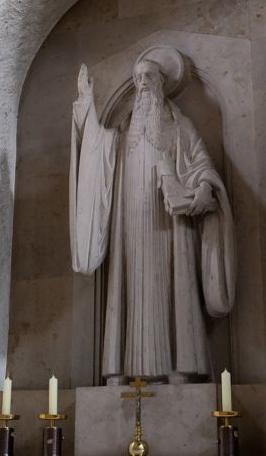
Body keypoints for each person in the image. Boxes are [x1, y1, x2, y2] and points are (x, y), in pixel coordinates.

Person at [69, 49, 236, 384]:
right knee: (128, 288)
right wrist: (86, 107)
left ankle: (179, 368)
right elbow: (96, 151)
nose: (142, 83)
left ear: (162, 82)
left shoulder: (178, 127)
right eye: (138, 78)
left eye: (149, 77)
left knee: (173, 287)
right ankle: (124, 369)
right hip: (129, 224)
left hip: (171, 226)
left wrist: (204, 188)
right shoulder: (125, 129)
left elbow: (202, 163)